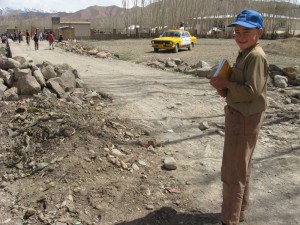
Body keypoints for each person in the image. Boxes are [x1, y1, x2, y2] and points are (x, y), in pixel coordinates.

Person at [209, 9, 269, 225]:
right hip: (242, 115)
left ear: (259, 32)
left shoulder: (255, 56)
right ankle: (238, 212)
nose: (240, 36)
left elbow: (251, 91)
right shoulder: (245, 53)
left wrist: (226, 84)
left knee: (233, 171)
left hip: (244, 118)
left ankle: (229, 220)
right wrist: (223, 86)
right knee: (242, 166)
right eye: (237, 32)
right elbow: (242, 86)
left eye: (246, 32)